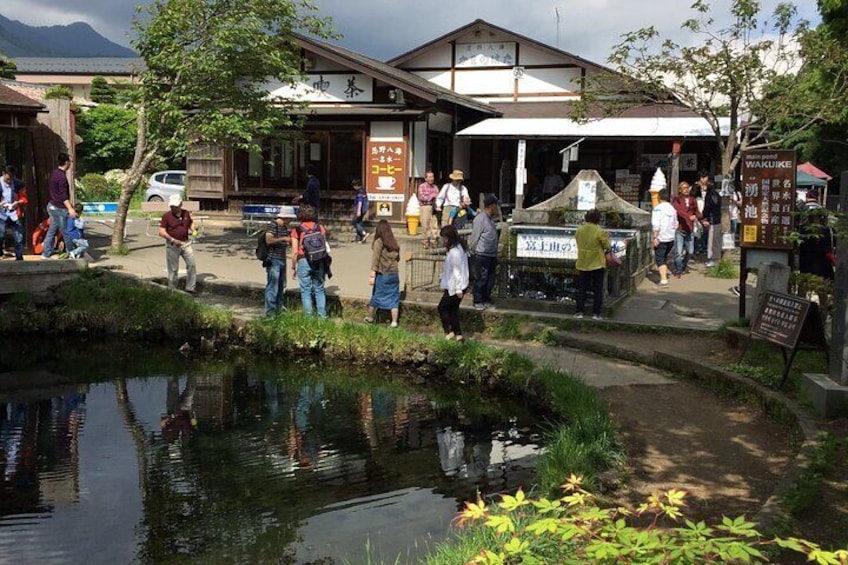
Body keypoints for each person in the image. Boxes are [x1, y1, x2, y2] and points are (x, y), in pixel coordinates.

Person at [291, 204, 328, 318]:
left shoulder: (296, 230)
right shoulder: (320, 228)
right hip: (319, 261)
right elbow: (323, 247)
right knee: (319, 289)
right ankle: (322, 317)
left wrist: (293, 267)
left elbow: (295, 252)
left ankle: (309, 318)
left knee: (306, 291)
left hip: (304, 261)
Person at [574, 209, 611, 320]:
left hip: (582, 262)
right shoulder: (599, 231)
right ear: (598, 219)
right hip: (597, 263)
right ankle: (596, 313)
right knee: (597, 289)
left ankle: (579, 312)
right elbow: (607, 246)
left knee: (582, 289)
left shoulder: (579, 230)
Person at [365, 220, 400, 327]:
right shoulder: (394, 242)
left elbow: (375, 258)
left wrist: (372, 273)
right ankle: (394, 322)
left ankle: (370, 317)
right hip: (394, 274)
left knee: (376, 296)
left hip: (382, 273)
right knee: (394, 298)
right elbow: (398, 258)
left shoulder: (379, 242)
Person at [158, 193, 197, 294]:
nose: (173, 208)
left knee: (191, 265)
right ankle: (172, 289)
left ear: (180, 204)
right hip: (172, 244)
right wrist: (172, 240)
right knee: (173, 269)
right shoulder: (166, 216)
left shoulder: (186, 213)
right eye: (171, 206)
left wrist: (193, 229)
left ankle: (190, 288)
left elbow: (190, 223)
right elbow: (161, 232)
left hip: (185, 243)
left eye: (175, 206)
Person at [438, 224, 469, 341]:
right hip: (460, 284)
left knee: (442, 308)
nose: (443, 241)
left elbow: (457, 271)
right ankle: (458, 335)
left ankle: (449, 332)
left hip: (455, 286)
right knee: (453, 310)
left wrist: (458, 289)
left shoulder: (454, 252)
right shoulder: (460, 248)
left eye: (444, 238)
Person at [42, 153, 77, 259]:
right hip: (59, 208)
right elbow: (63, 195)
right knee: (66, 231)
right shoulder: (62, 177)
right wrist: (70, 208)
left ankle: (46, 253)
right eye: (70, 162)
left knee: (52, 230)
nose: (71, 164)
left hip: (51, 205)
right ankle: (72, 253)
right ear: (66, 162)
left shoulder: (54, 173)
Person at [468, 194, 500, 310]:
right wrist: (472, 251)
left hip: (491, 254)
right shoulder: (480, 219)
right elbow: (475, 237)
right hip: (481, 254)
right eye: (496, 206)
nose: (497, 208)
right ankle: (478, 300)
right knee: (481, 278)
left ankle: (486, 299)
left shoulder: (490, 220)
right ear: (491, 206)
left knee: (490, 279)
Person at [798, 190, 835, 280]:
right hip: (822, 264)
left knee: (805, 279)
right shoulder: (822, 211)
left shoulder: (803, 209)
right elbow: (829, 248)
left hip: (806, 261)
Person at [264, 208, 294, 316]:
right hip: (273, 259)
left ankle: (279, 308)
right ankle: (270, 312)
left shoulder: (285, 227)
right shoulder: (273, 225)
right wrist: (283, 239)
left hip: (282, 259)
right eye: (289, 218)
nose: (290, 221)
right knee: (273, 286)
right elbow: (269, 240)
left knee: (281, 285)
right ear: (285, 217)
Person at [670, 181, 702, 277]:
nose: (686, 189)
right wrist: (689, 216)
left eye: (687, 187)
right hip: (680, 229)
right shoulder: (677, 200)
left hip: (690, 229)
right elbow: (679, 212)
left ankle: (683, 265)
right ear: (680, 190)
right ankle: (679, 269)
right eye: (684, 188)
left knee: (690, 251)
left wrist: (702, 219)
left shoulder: (693, 200)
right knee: (678, 252)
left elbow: (697, 211)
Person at [0, 165, 27, 261]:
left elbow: (24, 199)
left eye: (11, 179)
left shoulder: (18, 184)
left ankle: (19, 257)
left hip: (14, 212)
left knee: (18, 236)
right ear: (3, 174)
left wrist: (18, 202)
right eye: (7, 179)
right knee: (1, 234)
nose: (9, 181)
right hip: (1, 213)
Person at [651, 188, 677, 287]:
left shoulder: (657, 209)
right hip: (670, 237)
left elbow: (656, 224)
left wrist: (655, 237)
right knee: (664, 257)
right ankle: (664, 276)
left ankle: (663, 280)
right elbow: (676, 224)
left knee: (660, 259)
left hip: (661, 238)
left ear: (659, 197)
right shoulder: (672, 209)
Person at [417, 171, 440, 247]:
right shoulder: (422, 186)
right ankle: (425, 243)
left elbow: (438, 197)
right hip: (425, 207)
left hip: (434, 207)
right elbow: (422, 197)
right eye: (429, 177)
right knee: (425, 226)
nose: (431, 178)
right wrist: (432, 196)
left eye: (432, 177)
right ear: (426, 178)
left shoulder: (435, 187)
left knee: (434, 226)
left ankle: (434, 243)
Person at [351, 178, 370, 243]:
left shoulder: (360, 192)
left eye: (354, 186)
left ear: (356, 185)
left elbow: (360, 202)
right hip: (364, 209)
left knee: (354, 222)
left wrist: (358, 211)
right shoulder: (363, 190)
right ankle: (359, 238)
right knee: (359, 222)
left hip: (360, 209)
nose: (353, 187)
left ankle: (363, 233)